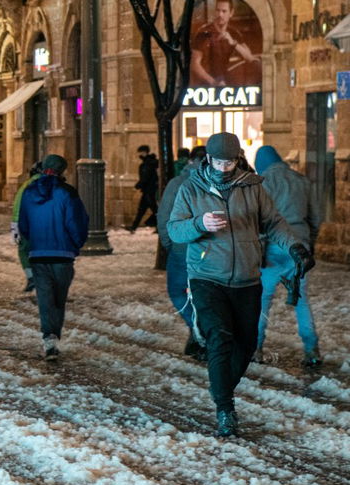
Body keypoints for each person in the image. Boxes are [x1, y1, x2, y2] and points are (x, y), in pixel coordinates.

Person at [168, 132, 312, 437]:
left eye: (229, 160)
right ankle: (225, 408)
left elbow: (273, 223)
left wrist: (294, 247)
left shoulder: (252, 186)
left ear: (238, 159)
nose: (223, 166)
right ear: (208, 159)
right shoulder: (191, 189)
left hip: (247, 278)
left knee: (245, 345)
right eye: (218, 160)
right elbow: (174, 231)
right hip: (207, 276)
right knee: (220, 338)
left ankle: (219, 386)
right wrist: (199, 225)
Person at [254, 145, 322, 367]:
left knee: (263, 298)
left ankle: (256, 347)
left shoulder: (262, 183)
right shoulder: (301, 181)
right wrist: (308, 242)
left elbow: (258, 219)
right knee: (301, 299)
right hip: (299, 247)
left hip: (273, 246)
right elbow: (315, 217)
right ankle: (312, 349)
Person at [17, 154, 90, 358]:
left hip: (37, 254)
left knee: (45, 298)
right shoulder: (67, 193)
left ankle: (48, 337)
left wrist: (32, 242)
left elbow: (24, 225)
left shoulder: (29, 192)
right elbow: (76, 223)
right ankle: (53, 335)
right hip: (63, 255)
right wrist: (75, 244)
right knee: (59, 299)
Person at [157, 145, 207, 360]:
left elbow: (164, 217)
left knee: (178, 291)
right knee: (206, 293)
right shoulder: (217, 184)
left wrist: (170, 244)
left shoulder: (177, 183)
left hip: (182, 247)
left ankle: (198, 328)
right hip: (210, 248)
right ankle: (200, 330)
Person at [191, 0, 262, 88]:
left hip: (227, 82)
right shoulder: (203, 33)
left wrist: (233, 43)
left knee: (258, 66)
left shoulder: (234, 33)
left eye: (224, 11)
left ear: (231, 13)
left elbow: (250, 58)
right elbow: (194, 65)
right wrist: (214, 82)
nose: (220, 14)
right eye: (218, 10)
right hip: (206, 85)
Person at [10, 162, 42, 294]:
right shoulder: (56, 185)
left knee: (24, 250)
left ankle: (31, 277)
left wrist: (15, 225)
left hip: (28, 224)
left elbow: (18, 206)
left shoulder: (26, 186)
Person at [127, 144, 159, 231]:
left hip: (149, 191)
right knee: (142, 210)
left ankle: (159, 227)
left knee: (155, 210)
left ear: (144, 152)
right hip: (148, 190)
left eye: (140, 152)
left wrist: (137, 186)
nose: (139, 155)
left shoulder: (147, 164)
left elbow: (145, 177)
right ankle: (133, 227)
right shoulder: (149, 163)